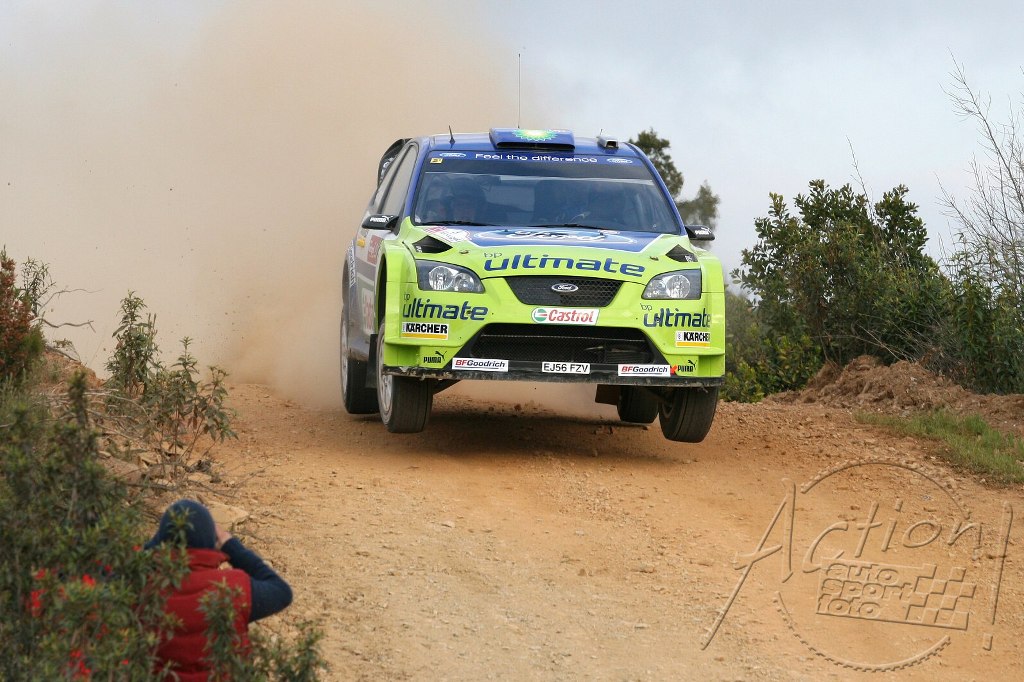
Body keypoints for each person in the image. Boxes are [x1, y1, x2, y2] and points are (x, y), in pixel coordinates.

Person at [145, 499, 292, 681]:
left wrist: (153, 546)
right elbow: (281, 592)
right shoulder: (232, 589)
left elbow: (119, 571)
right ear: (212, 540)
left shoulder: (141, 588)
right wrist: (230, 545)